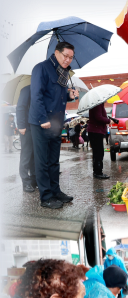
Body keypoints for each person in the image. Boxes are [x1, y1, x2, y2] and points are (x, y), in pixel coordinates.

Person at [29, 41, 79, 209]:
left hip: (57, 122)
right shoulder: (41, 68)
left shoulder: (63, 73)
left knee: (54, 161)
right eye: (66, 56)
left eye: (71, 57)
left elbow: (56, 96)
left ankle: (55, 191)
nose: (68, 60)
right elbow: (37, 95)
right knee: (42, 161)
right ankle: (46, 197)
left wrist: (69, 95)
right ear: (56, 53)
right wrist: (43, 119)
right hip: (41, 122)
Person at [16, 84, 37, 193]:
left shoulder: (39, 88)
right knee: (26, 155)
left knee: (34, 154)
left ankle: (33, 179)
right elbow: (20, 107)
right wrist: (21, 126)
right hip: (26, 128)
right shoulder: (26, 89)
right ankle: (25, 181)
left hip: (35, 127)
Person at [87, 102, 116, 179]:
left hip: (95, 131)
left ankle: (97, 171)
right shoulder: (97, 104)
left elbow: (99, 117)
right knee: (99, 153)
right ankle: (98, 172)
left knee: (97, 152)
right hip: (95, 131)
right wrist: (108, 121)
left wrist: (107, 120)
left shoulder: (97, 104)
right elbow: (98, 117)